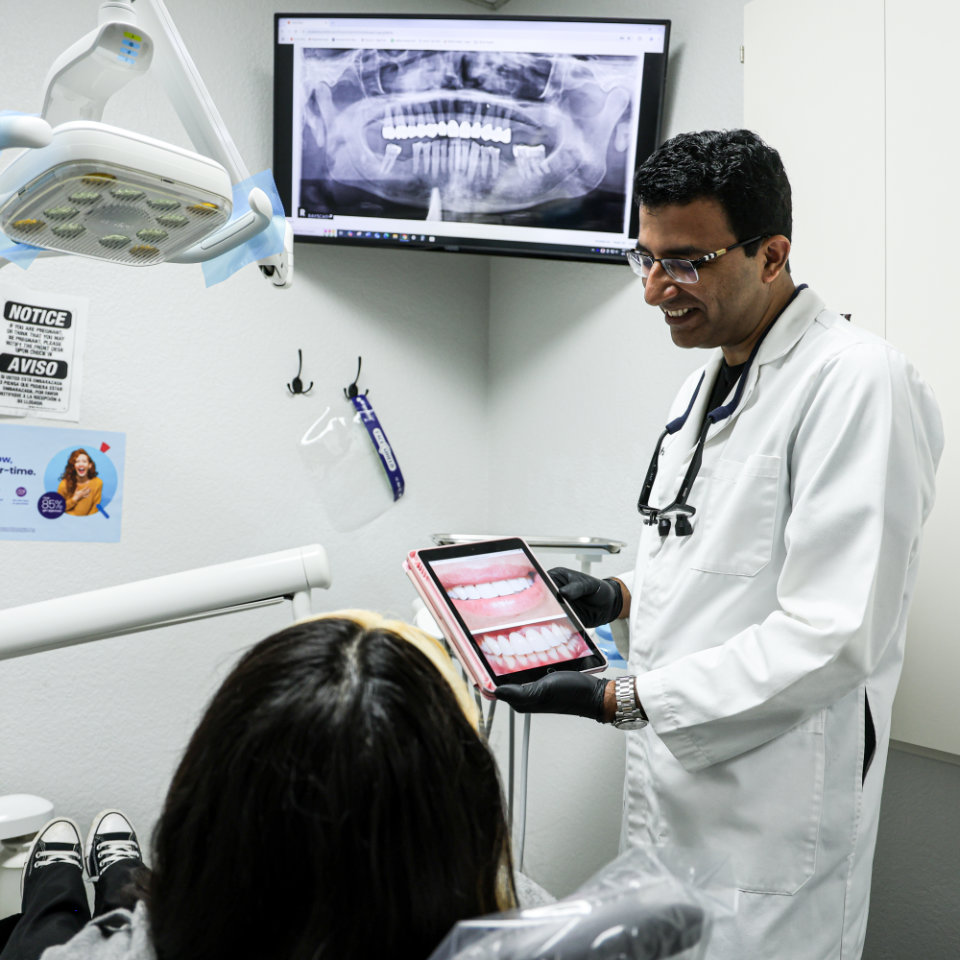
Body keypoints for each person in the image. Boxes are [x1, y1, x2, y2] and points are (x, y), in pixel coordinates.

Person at [495, 129, 943, 959]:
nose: (656, 289)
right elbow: (721, 558)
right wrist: (619, 596)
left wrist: (618, 698)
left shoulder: (858, 383)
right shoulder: (708, 377)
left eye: (687, 261)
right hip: (679, 805)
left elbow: (834, 636)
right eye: (647, 258)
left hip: (773, 826)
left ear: (772, 256)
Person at [3, 611, 517, 960]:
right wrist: (603, 699)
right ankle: (120, 872)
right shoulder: (532, 924)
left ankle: (77, 879)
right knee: (130, 900)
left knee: (50, 926)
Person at [56, 450, 102, 517]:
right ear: (73, 466)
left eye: (84, 461)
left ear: (90, 465)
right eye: (77, 462)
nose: (81, 464)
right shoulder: (63, 484)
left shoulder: (98, 483)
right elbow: (58, 508)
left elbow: (95, 508)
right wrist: (75, 499)